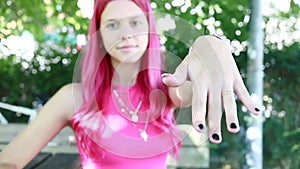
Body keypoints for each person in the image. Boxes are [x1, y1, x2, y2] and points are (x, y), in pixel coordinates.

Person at [0, 0, 261, 168]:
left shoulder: (167, 89)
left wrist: (210, 42)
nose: (126, 34)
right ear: (99, 35)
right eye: (113, 25)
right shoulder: (73, 97)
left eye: (135, 23)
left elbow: (202, 80)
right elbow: (9, 162)